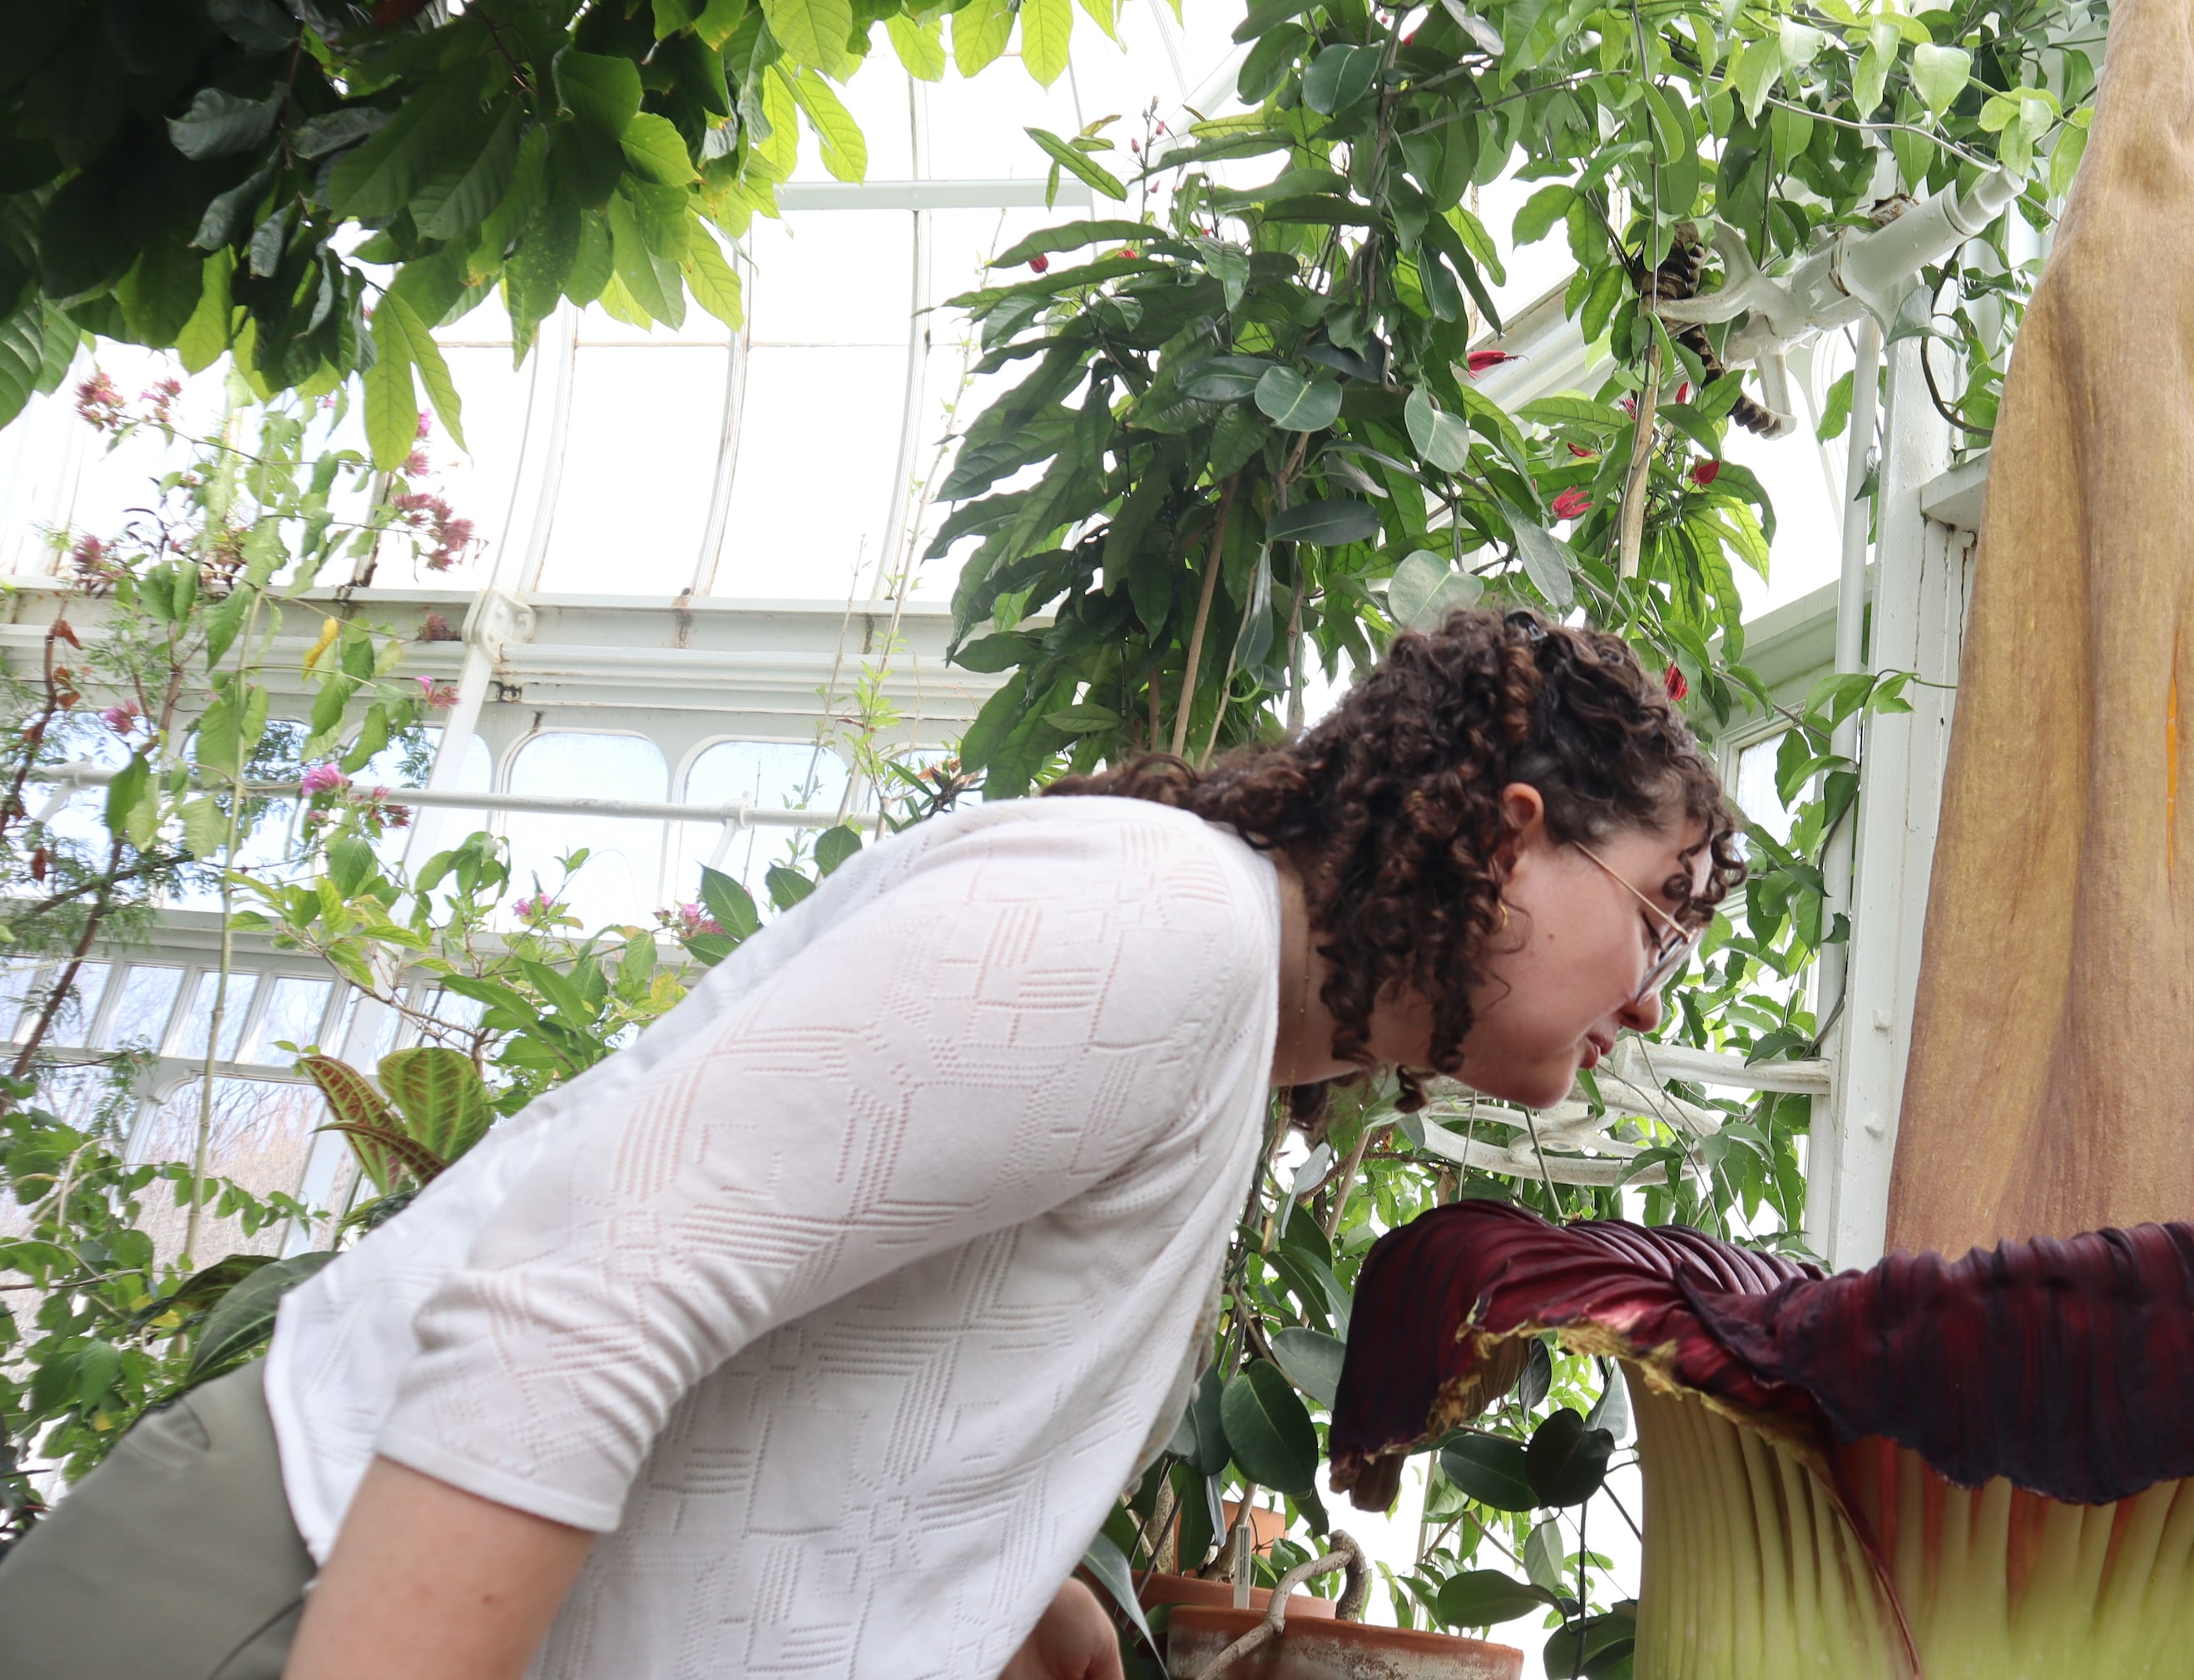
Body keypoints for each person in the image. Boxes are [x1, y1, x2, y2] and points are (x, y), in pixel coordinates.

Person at [0, 607, 1740, 1680]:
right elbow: (582, 1298)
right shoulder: (1165, 932)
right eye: (1658, 920)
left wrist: (998, 1579)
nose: (1650, 1003)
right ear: (1514, 839)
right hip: (294, 1602)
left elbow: (836, 1317)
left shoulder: (1224, 1013)